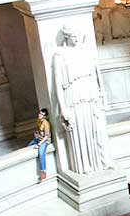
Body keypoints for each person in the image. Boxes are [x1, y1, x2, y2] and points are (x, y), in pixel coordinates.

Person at [53, 25, 111, 174]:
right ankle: (85, 166)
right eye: (74, 37)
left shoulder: (86, 51)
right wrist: (63, 109)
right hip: (74, 98)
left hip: (91, 95)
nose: (77, 39)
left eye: (79, 36)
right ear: (67, 37)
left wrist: (101, 96)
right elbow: (58, 84)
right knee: (80, 133)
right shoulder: (60, 55)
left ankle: (99, 163)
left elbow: (97, 76)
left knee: (95, 131)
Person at [28, 108, 51, 181]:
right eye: (40, 113)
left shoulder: (46, 123)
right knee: (29, 145)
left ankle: (43, 171)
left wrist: (39, 144)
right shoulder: (39, 121)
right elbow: (39, 130)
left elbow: (46, 136)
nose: (40, 115)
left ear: (45, 116)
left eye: (42, 114)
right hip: (39, 138)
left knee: (41, 153)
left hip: (44, 141)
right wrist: (37, 134)